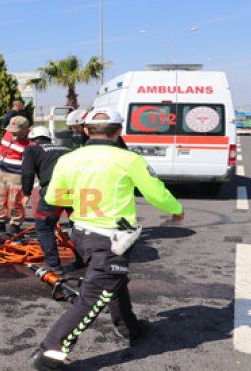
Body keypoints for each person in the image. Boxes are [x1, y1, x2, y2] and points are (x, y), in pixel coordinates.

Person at [30, 109, 184, 370]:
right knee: (93, 295)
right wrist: (176, 210)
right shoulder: (129, 159)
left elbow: (53, 198)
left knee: (114, 280)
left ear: (86, 130)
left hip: (81, 233)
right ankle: (50, 352)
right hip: (112, 238)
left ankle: (130, 329)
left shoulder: (69, 159)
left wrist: (80, 201)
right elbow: (156, 193)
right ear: (119, 131)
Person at [20, 126, 71, 274]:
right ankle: (83, 259)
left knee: (44, 226)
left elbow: (27, 173)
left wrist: (26, 193)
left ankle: (54, 265)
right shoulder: (67, 148)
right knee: (78, 227)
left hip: (54, 191)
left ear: (32, 140)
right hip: (77, 190)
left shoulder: (32, 150)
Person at [0, 116, 31, 234]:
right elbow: (1, 149)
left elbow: (31, 163)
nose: (12, 132)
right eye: (11, 129)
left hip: (17, 176)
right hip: (2, 173)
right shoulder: (8, 134)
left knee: (15, 201)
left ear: (25, 129)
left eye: (16, 130)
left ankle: (15, 224)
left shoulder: (30, 142)